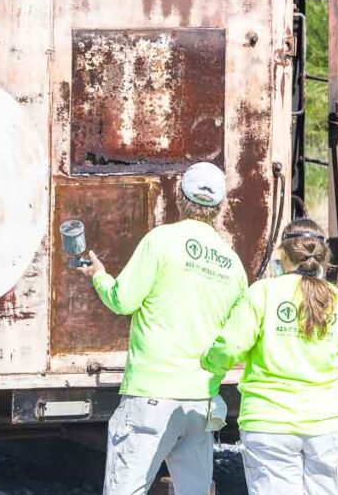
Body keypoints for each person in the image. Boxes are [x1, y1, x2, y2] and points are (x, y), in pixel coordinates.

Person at [78, 161, 247, 495]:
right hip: (201, 401)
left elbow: (122, 300)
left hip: (151, 395)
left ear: (178, 196)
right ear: (220, 207)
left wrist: (97, 275)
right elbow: (235, 338)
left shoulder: (161, 241)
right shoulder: (232, 264)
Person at [200, 218, 338, 495]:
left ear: (281, 254)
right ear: (323, 255)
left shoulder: (262, 293)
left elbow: (230, 348)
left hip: (268, 423)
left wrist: (209, 363)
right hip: (326, 423)